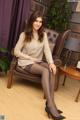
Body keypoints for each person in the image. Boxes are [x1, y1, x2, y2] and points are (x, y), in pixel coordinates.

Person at [14, 11, 65, 120]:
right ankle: (50, 106)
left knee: (51, 69)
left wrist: (51, 63)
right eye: (36, 21)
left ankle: (51, 104)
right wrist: (29, 58)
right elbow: (16, 51)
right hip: (25, 62)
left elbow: (47, 51)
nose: (38, 23)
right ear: (32, 21)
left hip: (37, 61)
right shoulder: (24, 35)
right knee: (45, 71)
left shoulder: (43, 35)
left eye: (40, 21)